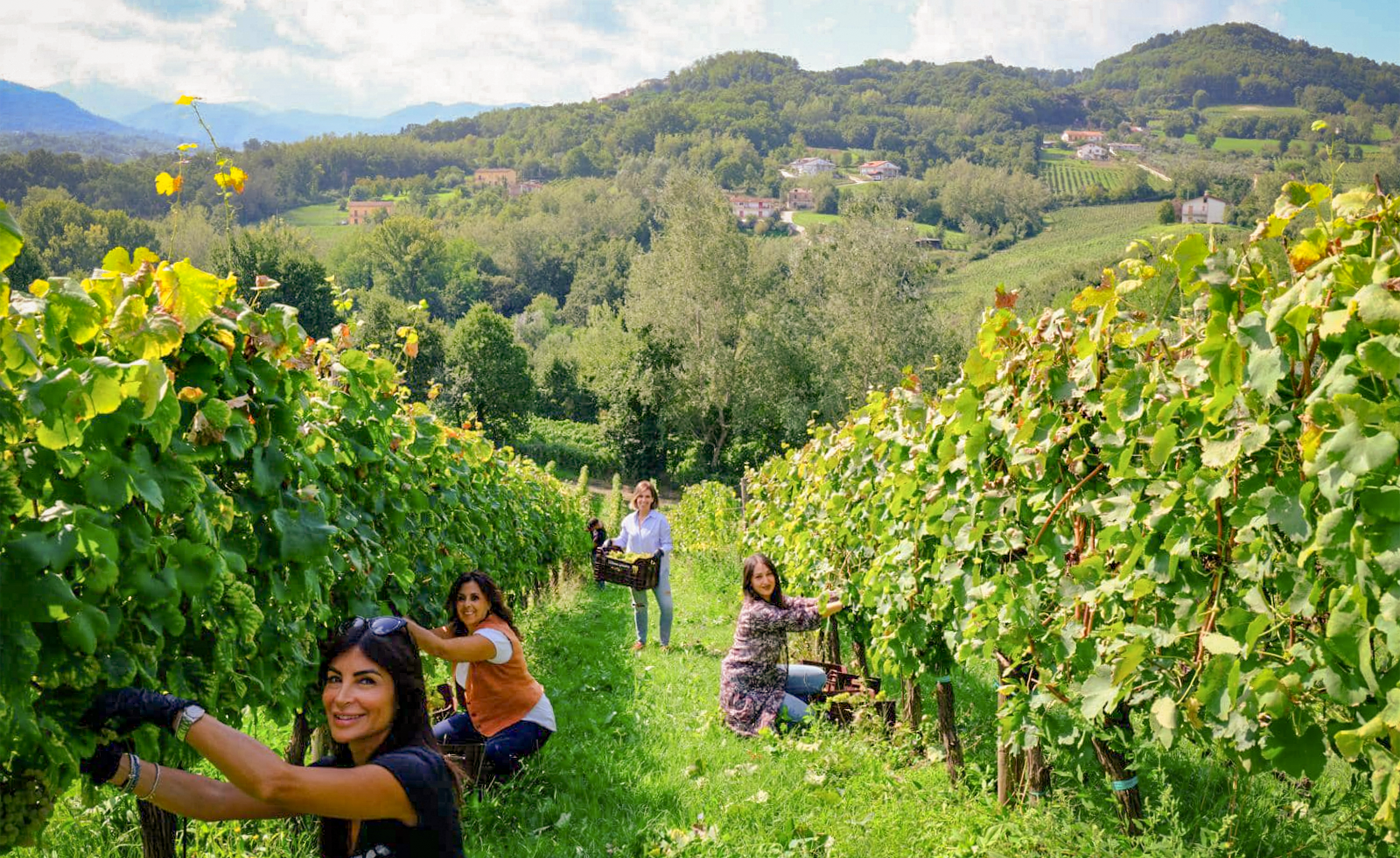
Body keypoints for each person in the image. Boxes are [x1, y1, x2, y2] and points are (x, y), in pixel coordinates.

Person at [79, 617, 464, 858]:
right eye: (334, 679)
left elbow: (275, 782)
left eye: (366, 681)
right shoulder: (343, 771)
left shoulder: (416, 774)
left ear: (402, 697)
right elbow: (216, 799)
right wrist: (117, 768)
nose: (342, 697)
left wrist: (174, 711)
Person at [406, 571, 555, 779]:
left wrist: (404, 624)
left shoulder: (493, 637)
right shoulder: (462, 628)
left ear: (489, 603)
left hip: (527, 718)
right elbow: (427, 638)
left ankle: (520, 780)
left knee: (493, 756)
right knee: (431, 741)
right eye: (461, 598)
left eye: (475, 598)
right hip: (488, 716)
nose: (467, 604)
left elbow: (441, 649)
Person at [719, 553, 844, 737]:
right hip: (748, 688)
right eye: (758, 577)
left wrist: (834, 597)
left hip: (767, 675)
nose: (765, 581)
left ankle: (788, 704)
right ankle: (774, 714)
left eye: (769, 574)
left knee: (819, 678)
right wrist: (839, 606)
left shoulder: (773, 600)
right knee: (810, 718)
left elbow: (799, 604)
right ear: (749, 582)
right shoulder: (756, 611)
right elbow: (800, 618)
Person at [609, 479, 673, 651]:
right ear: (635, 498)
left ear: (653, 499)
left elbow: (668, 544)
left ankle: (664, 643)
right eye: (640, 496)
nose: (643, 500)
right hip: (636, 571)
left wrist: (660, 552)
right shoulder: (628, 520)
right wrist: (611, 542)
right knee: (639, 606)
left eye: (647, 496)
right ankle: (641, 641)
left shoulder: (660, 520)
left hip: (657, 570)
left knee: (667, 607)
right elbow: (623, 540)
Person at [587, 518, 608, 590]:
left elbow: (594, 545)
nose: (600, 523)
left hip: (598, 554)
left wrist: (587, 546)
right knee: (599, 571)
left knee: (598, 571)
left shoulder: (600, 533)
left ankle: (601, 588)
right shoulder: (598, 530)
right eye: (598, 523)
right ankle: (600, 587)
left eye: (599, 522)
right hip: (599, 554)